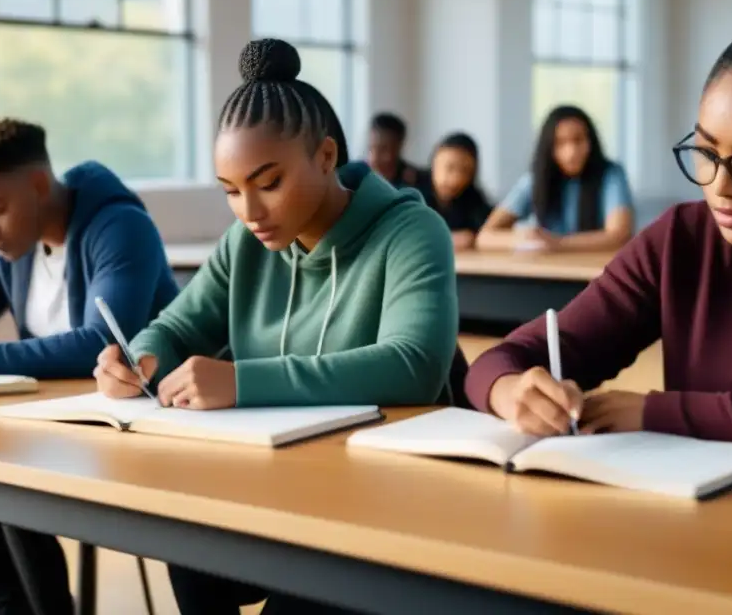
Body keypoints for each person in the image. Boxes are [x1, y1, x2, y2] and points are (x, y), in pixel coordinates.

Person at [465, 0, 732, 611]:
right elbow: (505, 358)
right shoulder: (681, 240)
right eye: (707, 152)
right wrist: (511, 389)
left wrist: (662, 411)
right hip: (692, 558)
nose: (721, 186)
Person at [95, 38, 458, 614]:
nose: (249, 211)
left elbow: (413, 366)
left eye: (268, 183)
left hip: (384, 502)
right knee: (185, 540)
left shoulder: (412, 231)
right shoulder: (245, 242)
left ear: (326, 156)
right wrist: (139, 355)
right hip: (272, 486)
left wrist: (243, 381)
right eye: (232, 192)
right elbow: (176, 327)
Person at [0, 118, 179, 615]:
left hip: (139, 428)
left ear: (39, 185)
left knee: (3, 480)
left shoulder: (120, 227)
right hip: (54, 428)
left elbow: (103, 342)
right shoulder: (7, 248)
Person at [477, 105, 634, 252]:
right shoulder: (535, 179)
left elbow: (620, 234)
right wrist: (524, 237)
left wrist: (558, 243)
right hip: (550, 271)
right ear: (548, 148)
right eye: (560, 143)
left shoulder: (611, 174)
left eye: (579, 140)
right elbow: (485, 237)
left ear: (591, 142)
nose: (571, 151)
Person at [420, 132, 494, 250]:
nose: (455, 179)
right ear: (434, 163)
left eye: (465, 171)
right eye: (450, 167)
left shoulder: (474, 201)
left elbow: (488, 231)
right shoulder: (412, 193)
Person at [364, 112, 422, 188]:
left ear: (399, 147)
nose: (374, 158)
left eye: (383, 150)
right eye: (371, 148)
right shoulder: (357, 181)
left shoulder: (417, 183)